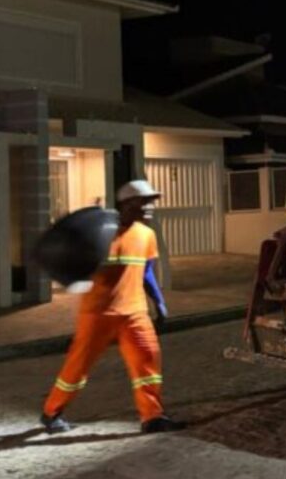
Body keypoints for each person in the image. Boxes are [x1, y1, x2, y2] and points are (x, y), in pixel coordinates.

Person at [40, 180, 186, 434]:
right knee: (78, 366)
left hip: (135, 312)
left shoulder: (146, 234)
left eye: (152, 201)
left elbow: (146, 273)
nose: (151, 206)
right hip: (98, 312)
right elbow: (75, 262)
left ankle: (152, 416)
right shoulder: (101, 232)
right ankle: (52, 412)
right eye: (145, 201)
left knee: (148, 365)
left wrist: (159, 301)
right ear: (128, 203)